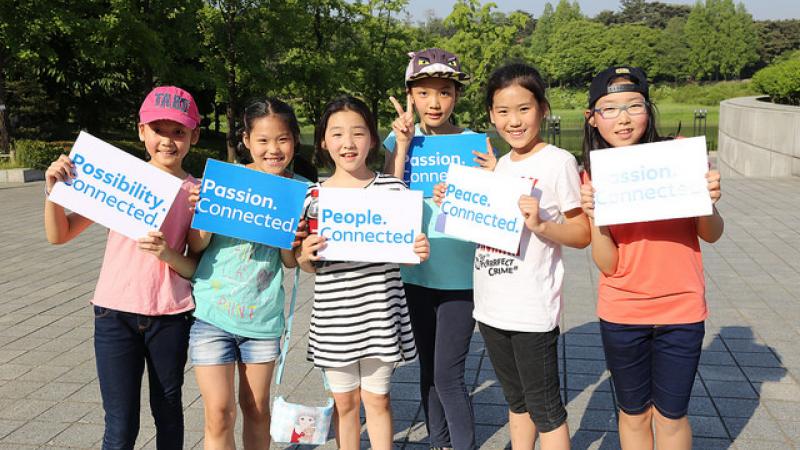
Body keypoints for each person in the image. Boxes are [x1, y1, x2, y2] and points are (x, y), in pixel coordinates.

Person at [435, 63, 589, 450]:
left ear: (542, 109)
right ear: (491, 115)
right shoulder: (501, 165)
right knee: (516, 404)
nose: (513, 121)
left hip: (532, 310)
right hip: (490, 307)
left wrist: (542, 226)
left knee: (546, 410)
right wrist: (450, 202)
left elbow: (583, 232)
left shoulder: (558, 162)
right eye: (503, 111)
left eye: (524, 108)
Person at [44, 86, 202, 450]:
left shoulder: (197, 192)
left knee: (168, 412)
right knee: (120, 423)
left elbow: (196, 265)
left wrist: (167, 253)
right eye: (159, 130)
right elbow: (60, 234)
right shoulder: (118, 178)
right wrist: (53, 193)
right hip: (114, 314)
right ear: (141, 131)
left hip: (170, 315)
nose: (168, 140)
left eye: (179, 131)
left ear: (193, 135)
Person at [579, 66, 724, 450]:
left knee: (671, 416)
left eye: (634, 106)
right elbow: (608, 265)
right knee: (634, 414)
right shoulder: (591, 176)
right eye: (610, 108)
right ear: (592, 118)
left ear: (649, 109)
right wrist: (597, 221)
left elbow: (711, 233)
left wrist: (707, 201)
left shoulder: (679, 155)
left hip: (682, 310)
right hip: (622, 313)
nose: (623, 118)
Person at [297, 95, 430, 450]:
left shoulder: (393, 190)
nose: (348, 143)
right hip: (335, 318)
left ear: (372, 138)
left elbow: (403, 255)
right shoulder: (314, 196)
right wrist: (305, 256)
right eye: (337, 133)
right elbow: (306, 264)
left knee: (378, 401)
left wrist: (417, 252)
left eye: (358, 132)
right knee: (346, 405)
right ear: (323, 141)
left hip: (380, 315)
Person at [384, 47, 493, 450]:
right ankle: (439, 442)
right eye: (425, 93)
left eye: (444, 92)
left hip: (462, 275)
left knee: (449, 373)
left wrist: (469, 190)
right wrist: (401, 144)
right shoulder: (399, 141)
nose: (435, 102)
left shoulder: (474, 145)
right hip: (415, 274)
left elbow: (492, 205)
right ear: (410, 95)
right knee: (428, 369)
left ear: (456, 97)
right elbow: (388, 195)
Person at [187, 98, 308, 450]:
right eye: (264, 141)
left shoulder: (300, 189)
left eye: (282, 139)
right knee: (219, 412)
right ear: (246, 140)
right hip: (212, 314)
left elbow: (289, 261)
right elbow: (195, 247)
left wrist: (294, 235)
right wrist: (202, 212)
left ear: (295, 140)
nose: (273, 149)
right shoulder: (227, 181)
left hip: (263, 319)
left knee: (256, 410)